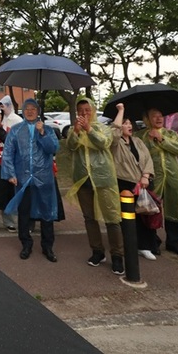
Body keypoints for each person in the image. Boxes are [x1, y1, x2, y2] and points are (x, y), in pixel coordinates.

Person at [66, 97, 124, 274]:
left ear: (92, 110)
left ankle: (117, 256)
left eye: (87, 110)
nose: (84, 114)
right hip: (83, 179)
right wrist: (76, 132)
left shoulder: (102, 128)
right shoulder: (72, 129)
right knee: (89, 218)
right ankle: (97, 251)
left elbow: (104, 143)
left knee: (112, 217)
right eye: (80, 111)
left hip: (103, 178)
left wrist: (88, 129)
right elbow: (70, 147)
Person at [2, 99, 60, 262]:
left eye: (33, 108)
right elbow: (8, 153)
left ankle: (47, 246)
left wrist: (42, 134)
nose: (29, 111)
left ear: (38, 110)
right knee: (24, 212)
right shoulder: (15, 130)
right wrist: (10, 174)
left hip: (44, 178)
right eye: (26, 108)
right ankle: (26, 244)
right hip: (23, 177)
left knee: (47, 212)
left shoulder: (47, 129)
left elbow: (53, 149)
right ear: (23, 111)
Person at [136, 108, 178, 258]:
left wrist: (161, 139)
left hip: (173, 176)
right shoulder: (140, 136)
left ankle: (174, 242)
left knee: (174, 208)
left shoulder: (170, 133)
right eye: (154, 116)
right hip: (153, 177)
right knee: (151, 209)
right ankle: (151, 241)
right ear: (147, 119)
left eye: (161, 116)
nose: (159, 119)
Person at [110, 103, 157, 260]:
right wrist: (121, 111)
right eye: (125, 123)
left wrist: (146, 176)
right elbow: (114, 132)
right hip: (123, 183)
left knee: (145, 214)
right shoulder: (115, 143)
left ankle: (145, 246)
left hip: (142, 183)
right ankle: (129, 244)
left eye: (130, 123)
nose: (128, 126)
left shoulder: (138, 142)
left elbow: (148, 159)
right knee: (127, 217)